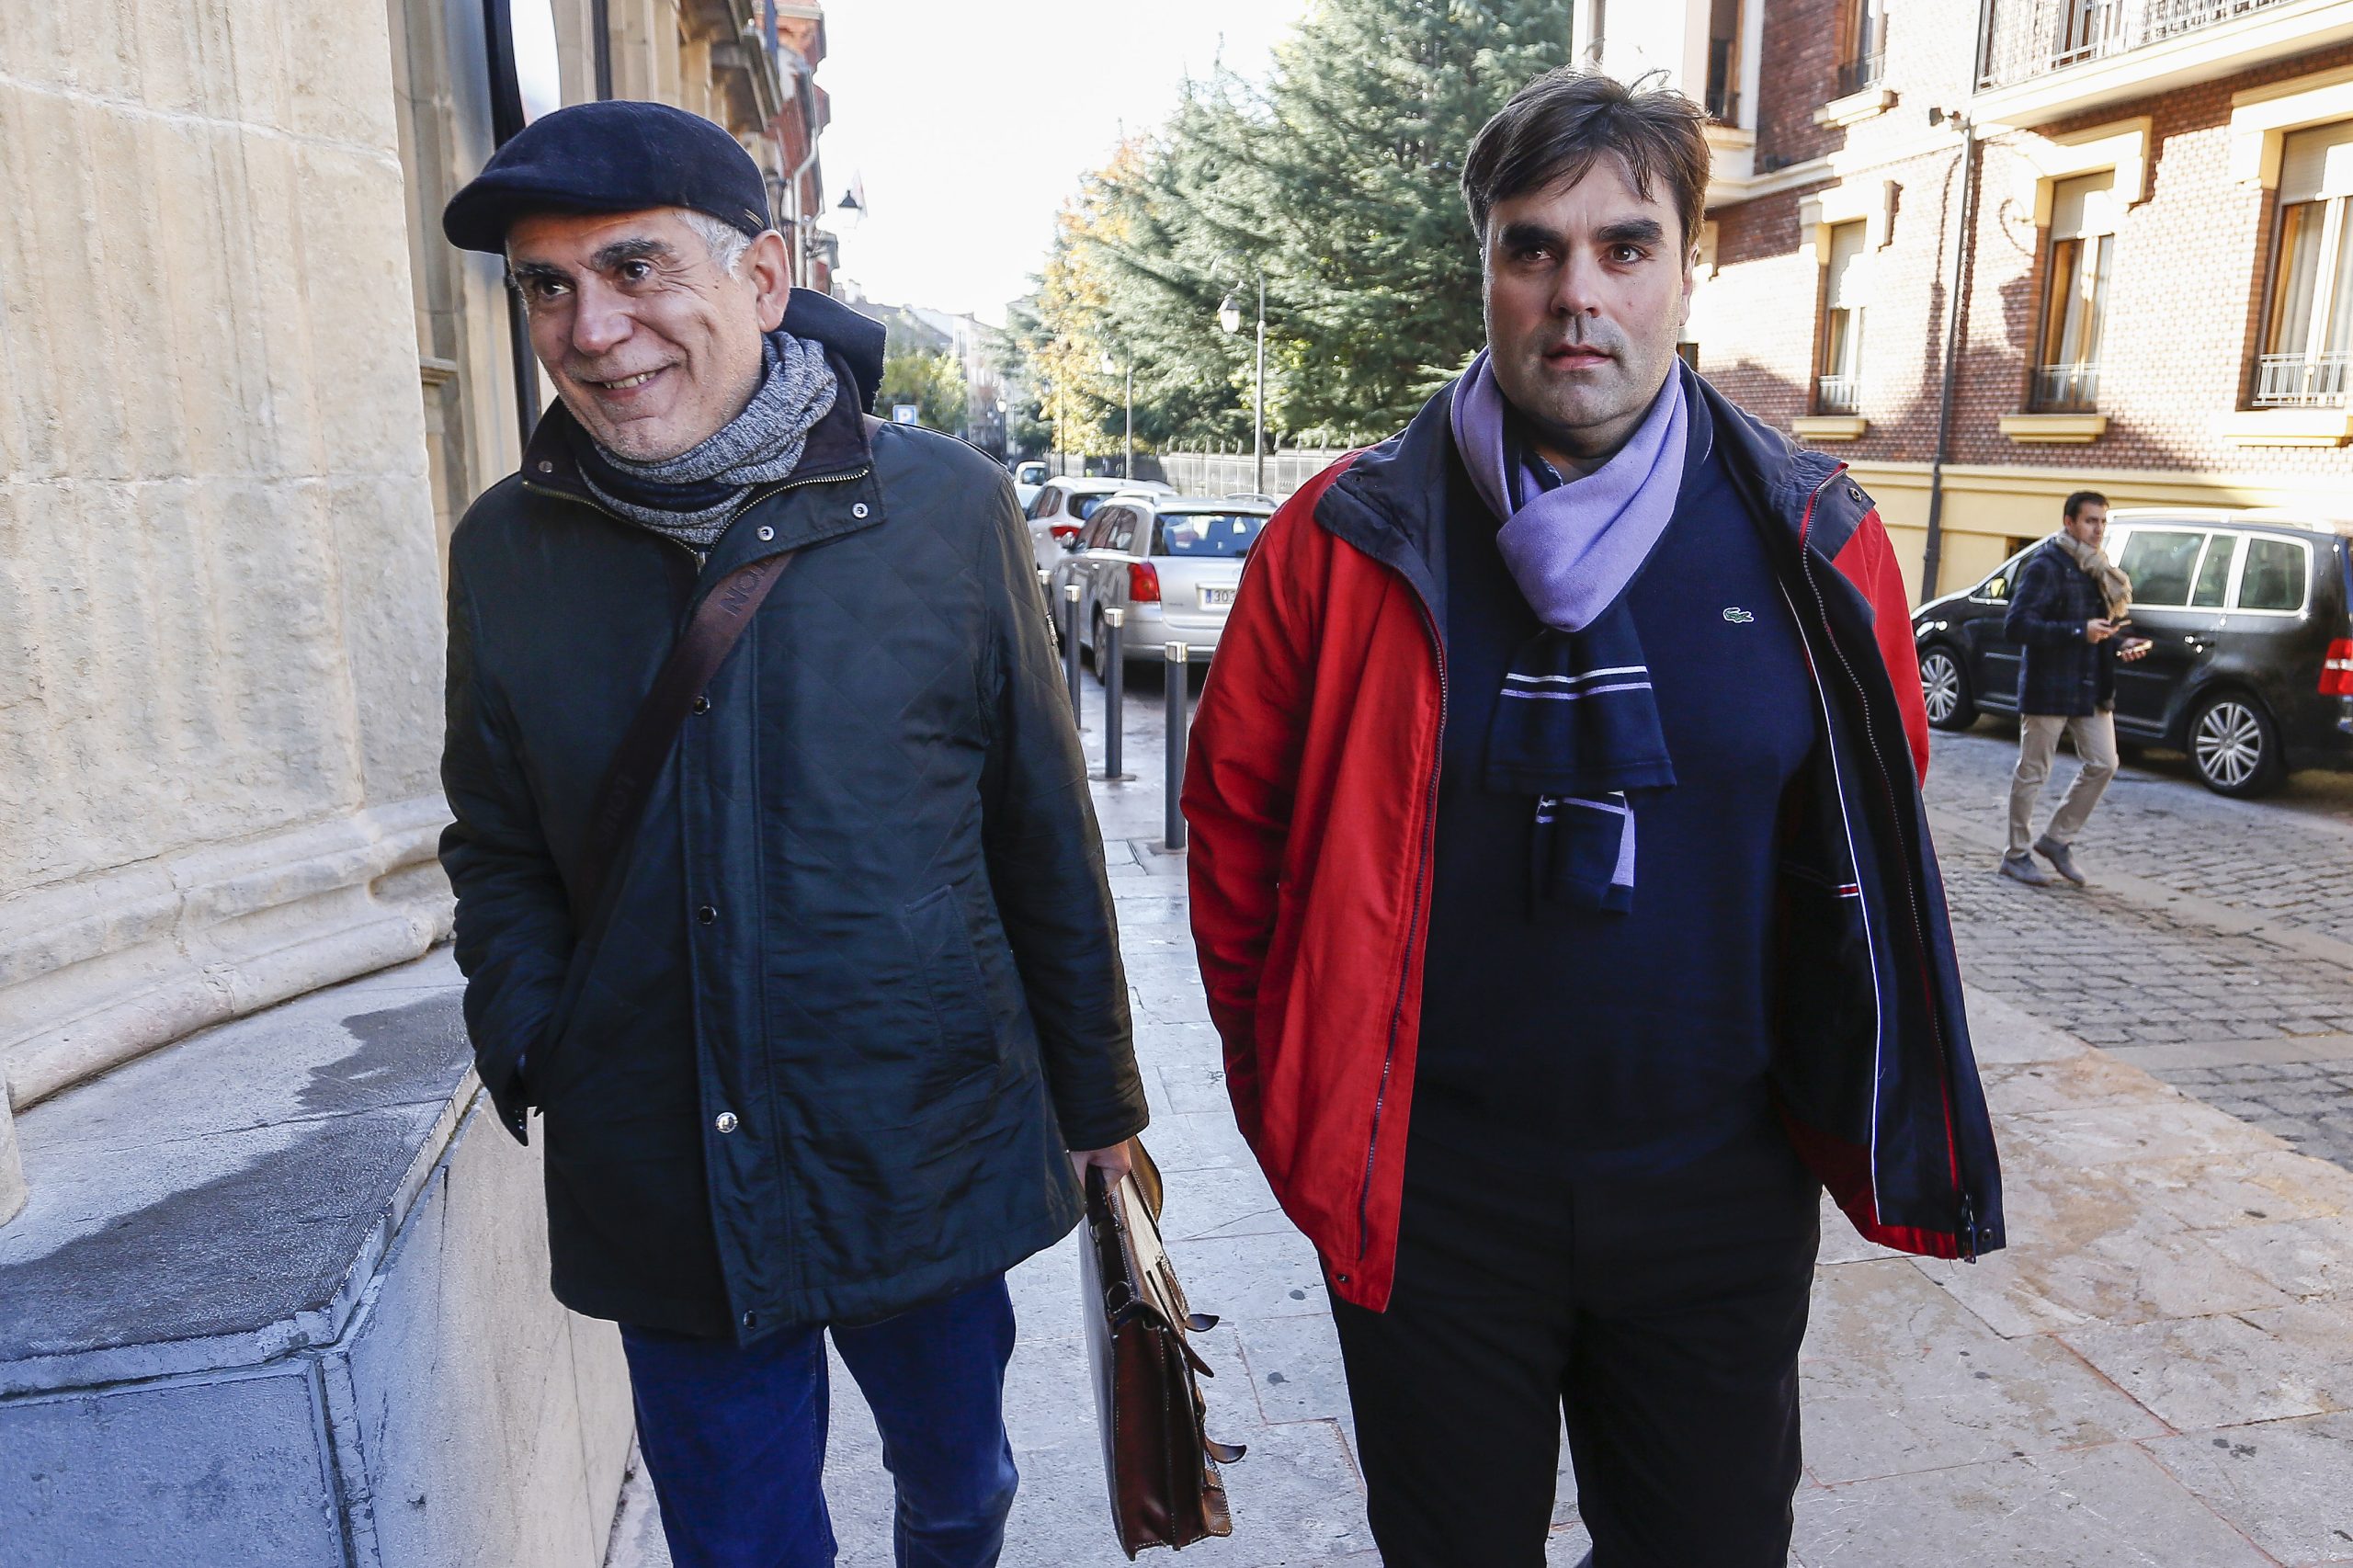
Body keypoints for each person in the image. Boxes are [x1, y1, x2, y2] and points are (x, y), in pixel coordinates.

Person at [1182, 70, 2005, 1568]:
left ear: (1692, 269)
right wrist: (1295, 1097)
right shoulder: (1342, 539)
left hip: (1716, 1197)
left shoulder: (1817, 538)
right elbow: (1237, 839)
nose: (1579, 293)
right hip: (1432, 1205)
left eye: (1626, 248)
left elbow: (1863, 840)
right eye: (1532, 247)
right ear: (1485, 267)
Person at [435, 101, 1145, 1568]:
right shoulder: (506, 546)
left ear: (761, 278)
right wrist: (534, 1027)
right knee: (740, 1547)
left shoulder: (944, 506)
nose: (592, 326)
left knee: (962, 1489)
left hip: (918, 1134)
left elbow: (1038, 819)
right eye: (547, 286)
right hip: (659, 1154)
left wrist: (1099, 1095)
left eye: (636, 270)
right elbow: (496, 835)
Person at [2000, 490, 2149, 887]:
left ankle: (2056, 840)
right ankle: (2016, 854)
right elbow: (2017, 626)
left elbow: (2098, 630)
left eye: (2102, 521)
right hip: (2049, 685)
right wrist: (2077, 631)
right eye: (2090, 521)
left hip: (2090, 685)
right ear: (2070, 522)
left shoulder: (2098, 568)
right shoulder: (2046, 565)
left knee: (2105, 763)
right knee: (2033, 772)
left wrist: (2120, 645)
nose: (2098, 529)